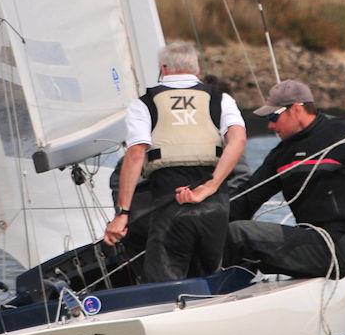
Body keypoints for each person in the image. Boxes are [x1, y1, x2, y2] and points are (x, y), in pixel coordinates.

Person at [225, 79, 345, 278]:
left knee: (239, 234)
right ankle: (213, 290)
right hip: (307, 240)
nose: (270, 125)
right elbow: (247, 198)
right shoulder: (281, 155)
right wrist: (203, 217)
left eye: (274, 116)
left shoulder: (343, 133)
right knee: (226, 233)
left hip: (335, 249)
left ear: (296, 109)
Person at [103, 41, 247, 282]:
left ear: (163, 68)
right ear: (197, 70)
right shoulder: (221, 100)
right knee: (209, 280)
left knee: (164, 284)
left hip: (171, 203)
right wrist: (210, 186)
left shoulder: (144, 103)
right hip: (215, 207)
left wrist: (122, 213)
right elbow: (238, 140)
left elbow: (136, 153)